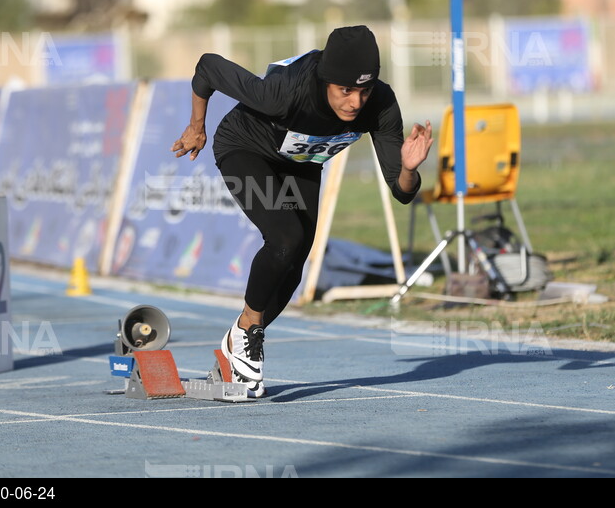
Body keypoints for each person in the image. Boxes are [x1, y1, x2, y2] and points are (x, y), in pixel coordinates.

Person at [171, 25, 433, 397]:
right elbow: (207, 67)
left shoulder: (381, 105)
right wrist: (198, 126)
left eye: (364, 91)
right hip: (245, 149)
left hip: (301, 163)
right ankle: (246, 333)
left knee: (294, 263)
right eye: (345, 90)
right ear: (326, 81)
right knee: (284, 238)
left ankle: (242, 337)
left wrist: (408, 168)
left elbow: (403, 193)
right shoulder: (285, 92)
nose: (355, 103)